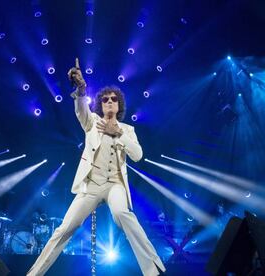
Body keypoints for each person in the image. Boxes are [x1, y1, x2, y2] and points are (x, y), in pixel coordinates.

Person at [27, 58, 166, 276]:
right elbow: (80, 109)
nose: (109, 101)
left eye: (113, 99)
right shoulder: (92, 122)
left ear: (119, 105)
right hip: (91, 185)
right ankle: (33, 274)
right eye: (105, 100)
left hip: (115, 185)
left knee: (123, 214)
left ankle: (153, 272)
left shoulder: (127, 130)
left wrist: (117, 133)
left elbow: (138, 156)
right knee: (65, 229)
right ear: (100, 105)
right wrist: (81, 88)